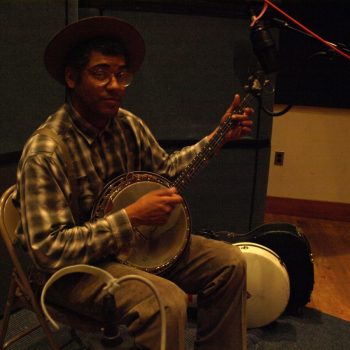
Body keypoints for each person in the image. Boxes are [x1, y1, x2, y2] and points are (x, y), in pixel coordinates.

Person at [13, 16, 253, 350]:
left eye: (121, 74)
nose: (114, 85)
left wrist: (218, 137)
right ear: (71, 78)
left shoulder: (127, 125)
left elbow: (167, 172)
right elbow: (48, 251)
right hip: (68, 272)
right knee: (165, 300)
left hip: (127, 250)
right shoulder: (46, 151)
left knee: (229, 263)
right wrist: (131, 218)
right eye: (101, 73)